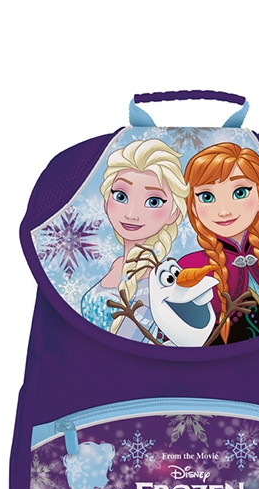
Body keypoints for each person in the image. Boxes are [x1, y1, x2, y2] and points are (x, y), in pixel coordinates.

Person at [178, 142, 259, 345]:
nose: (224, 211)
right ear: (193, 206)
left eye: (240, 192)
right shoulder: (190, 267)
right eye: (207, 197)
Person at [80, 139, 188, 342]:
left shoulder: (160, 280)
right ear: (106, 201)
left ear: (173, 213)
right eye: (121, 196)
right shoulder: (117, 264)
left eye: (153, 201)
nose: (131, 214)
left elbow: (128, 343)